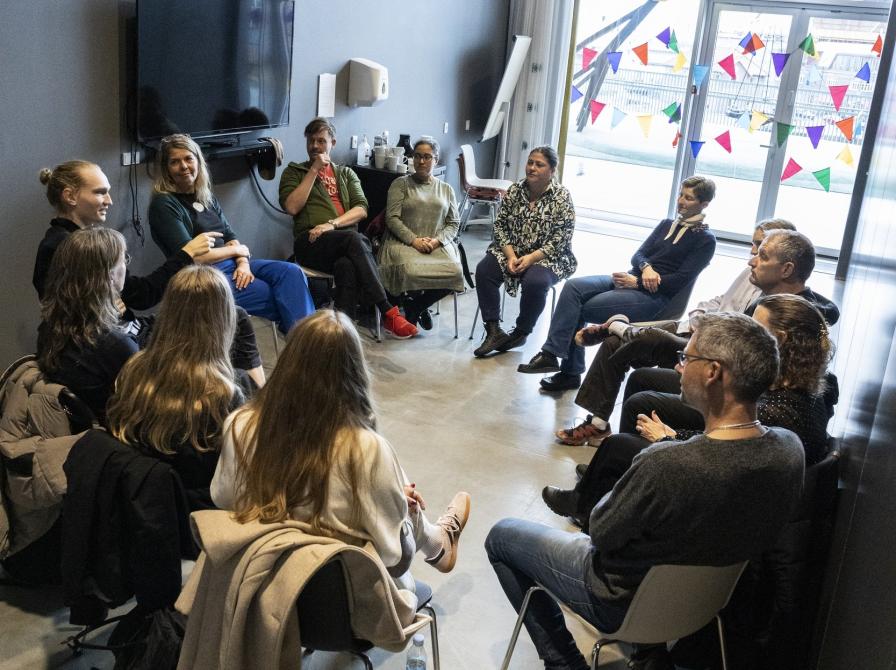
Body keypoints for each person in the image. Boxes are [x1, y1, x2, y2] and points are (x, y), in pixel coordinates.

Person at [486, 312, 805, 670]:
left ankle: (565, 663)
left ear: (713, 372)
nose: (679, 366)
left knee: (501, 537)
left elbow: (601, 532)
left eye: (687, 357)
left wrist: (620, 490)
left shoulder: (667, 463)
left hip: (622, 603)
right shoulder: (789, 450)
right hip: (706, 606)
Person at [210, 309, 471, 591]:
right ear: (355, 372)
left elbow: (224, 498)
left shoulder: (239, 423)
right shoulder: (365, 449)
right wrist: (401, 510)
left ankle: (432, 536)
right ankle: (435, 541)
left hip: (259, 580)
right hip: (341, 595)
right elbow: (392, 555)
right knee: (401, 510)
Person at [544, 294, 834, 529]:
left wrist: (669, 438)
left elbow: (724, 451)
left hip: (717, 486)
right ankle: (612, 480)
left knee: (621, 442)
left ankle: (591, 506)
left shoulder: (782, 413)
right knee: (641, 388)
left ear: (780, 339)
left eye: (757, 328)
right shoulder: (797, 383)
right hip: (724, 463)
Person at [555, 218, 796, 447]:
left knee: (649, 337)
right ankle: (598, 424)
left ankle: (619, 326)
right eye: (754, 245)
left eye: (760, 249)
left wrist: (704, 324)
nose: (752, 255)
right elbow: (719, 300)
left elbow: (738, 341)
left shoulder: (778, 307)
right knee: (612, 343)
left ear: (785, 266)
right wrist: (699, 314)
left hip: (707, 346)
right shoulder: (750, 274)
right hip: (694, 327)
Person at [35, 160, 266, 389]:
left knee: (234, 316)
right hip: (131, 339)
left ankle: (259, 401)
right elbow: (131, 298)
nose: (109, 200)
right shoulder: (64, 247)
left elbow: (133, 295)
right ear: (70, 196)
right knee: (238, 375)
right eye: (100, 192)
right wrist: (187, 254)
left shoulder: (85, 241)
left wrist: (115, 300)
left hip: (134, 328)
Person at [517, 176, 718, 390]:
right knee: (573, 287)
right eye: (680, 195)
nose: (680, 201)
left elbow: (679, 281)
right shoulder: (667, 224)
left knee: (581, 308)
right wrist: (646, 268)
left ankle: (570, 373)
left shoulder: (705, 240)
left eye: (688, 198)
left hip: (655, 297)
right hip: (631, 278)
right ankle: (550, 355)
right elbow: (638, 255)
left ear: (704, 204)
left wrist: (637, 283)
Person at [106, 265, 254, 512]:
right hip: (201, 517)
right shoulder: (228, 393)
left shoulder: (133, 371)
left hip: (140, 503)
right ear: (225, 319)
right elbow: (238, 479)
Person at [148, 134, 315, 334]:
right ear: (166, 169)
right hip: (202, 277)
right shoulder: (164, 203)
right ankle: (307, 344)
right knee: (280, 295)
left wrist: (243, 263)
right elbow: (192, 257)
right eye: (175, 162)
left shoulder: (206, 197)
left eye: (188, 159)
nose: (183, 166)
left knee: (291, 272)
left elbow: (229, 235)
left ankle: (305, 343)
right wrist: (238, 251)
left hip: (233, 265)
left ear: (198, 162)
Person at [278, 117, 418, 338]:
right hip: (310, 243)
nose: (315, 146)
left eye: (321, 141)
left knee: (347, 265)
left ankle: (342, 332)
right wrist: (313, 170)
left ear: (332, 143)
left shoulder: (345, 174)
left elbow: (361, 209)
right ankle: (388, 311)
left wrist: (331, 224)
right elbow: (292, 207)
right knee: (355, 240)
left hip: (344, 242)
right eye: (311, 141)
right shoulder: (294, 172)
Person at [472, 145, 577, 357]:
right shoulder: (514, 190)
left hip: (548, 257)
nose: (532, 168)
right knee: (484, 270)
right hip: (513, 251)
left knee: (536, 282)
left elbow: (561, 238)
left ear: (552, 170)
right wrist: (511, 256)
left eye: (539, 164)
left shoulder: (562, 197)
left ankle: (521, 332)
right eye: (530, 162)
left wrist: (531, 258)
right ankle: (493, 330)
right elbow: (500, 227)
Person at [36, 227, 137, 423]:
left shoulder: (49, 328)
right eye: (123, 260)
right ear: (109, 276)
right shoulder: (115, 346)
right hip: (112, 432)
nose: (125, 266)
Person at [378, 137, 463, 329]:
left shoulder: (446, 189)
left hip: (436, 243)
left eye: (427, 157)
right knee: (410, 270)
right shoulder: (400, 184)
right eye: (417, 156)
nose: (421, 161)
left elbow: (453, 223)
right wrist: (414, 240)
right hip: (402, 242)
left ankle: (417, 305)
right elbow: (392, 218)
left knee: (455, 272)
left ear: (436, 160)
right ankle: (415, 304)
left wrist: (437, 241)